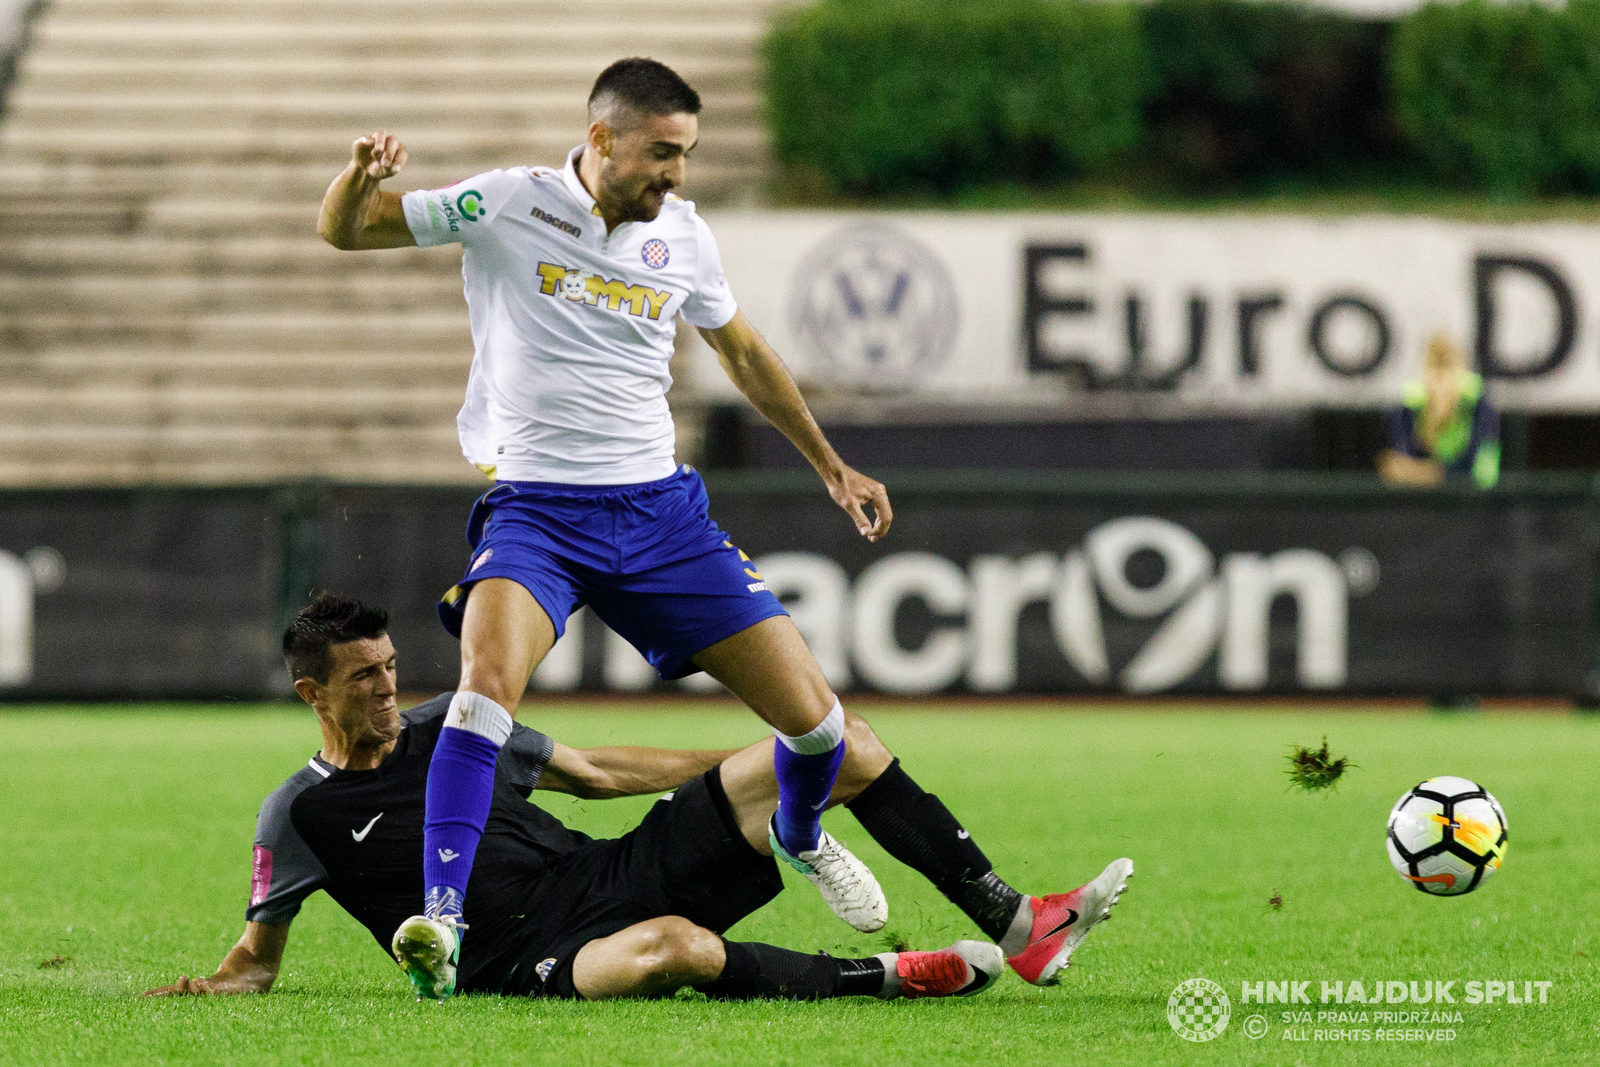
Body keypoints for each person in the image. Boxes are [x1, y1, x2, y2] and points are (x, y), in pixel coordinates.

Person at [316, 57, 895, 997]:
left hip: (660, 513)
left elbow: (742, 351)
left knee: (821, 728)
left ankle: (797, 829)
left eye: (688, 154)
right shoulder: (508, 203)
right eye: (663, 152)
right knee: (481, 691)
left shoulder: (686, 237)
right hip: (537, 508)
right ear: (601, 139)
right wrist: (359, 179)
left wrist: (832, 464)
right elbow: (348, 232)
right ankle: (444, 921)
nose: (677, 172)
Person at [144, 596, 1132, 1002]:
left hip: (599, 866)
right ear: (310, 691)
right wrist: (209, 984)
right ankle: (885, 974)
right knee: (677, 945)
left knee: (843, 745)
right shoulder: (299, 812)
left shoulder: (456, 718)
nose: (386, 689)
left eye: (390, 667)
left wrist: (750, 760)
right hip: (520, 957)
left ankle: (1015, 917)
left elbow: (594, 771)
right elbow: (256, 959)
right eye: (363, 679)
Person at [1378, 332, 1500, 489]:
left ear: (1462, 371)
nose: (1441, 384)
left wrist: (1429, 474)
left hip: (1469, 509)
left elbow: (1484, 477)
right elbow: (1394, 467)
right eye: (1434, 369)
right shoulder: (1406, 412)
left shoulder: (1483, 412)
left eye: (1448, 368)